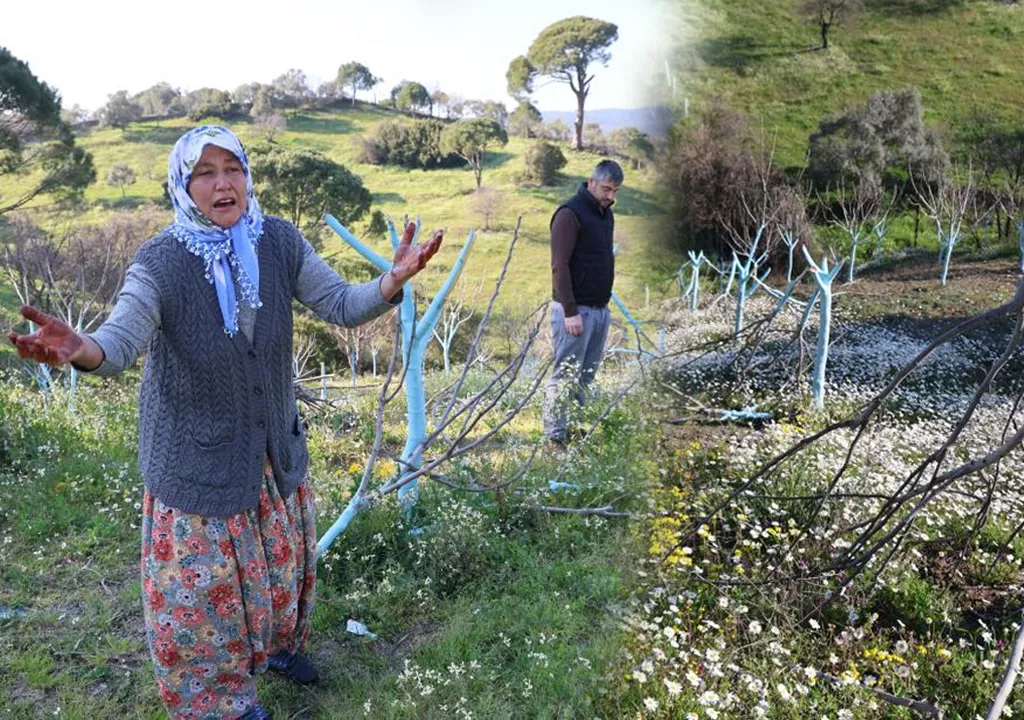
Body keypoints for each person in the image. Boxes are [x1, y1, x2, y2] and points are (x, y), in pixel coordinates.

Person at [6, 125, 443, 720]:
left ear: (247, 176)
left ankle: (277, 649)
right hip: (198, 462)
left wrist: (391, 281)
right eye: (205, 173)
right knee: (203, 600)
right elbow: (120, 341)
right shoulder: (161, 262)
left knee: (279, 571)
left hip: (269, 451)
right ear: (183, 187)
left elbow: (340, 303)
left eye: (232, 168)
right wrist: (81, 348)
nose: (223, 184)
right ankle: (220, 704)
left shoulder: (277, 241)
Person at [543, 159, 624, 446]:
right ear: (591, 182)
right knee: (565, 375)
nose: (610, 196)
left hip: (599, 311)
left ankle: (573, 431)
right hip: (575, 312)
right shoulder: (569, 214)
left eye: (615, 191)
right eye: (606, 189)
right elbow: (559, 266)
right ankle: (554, 437)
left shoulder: (605, 215)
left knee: (586, 376)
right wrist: (570, 311)